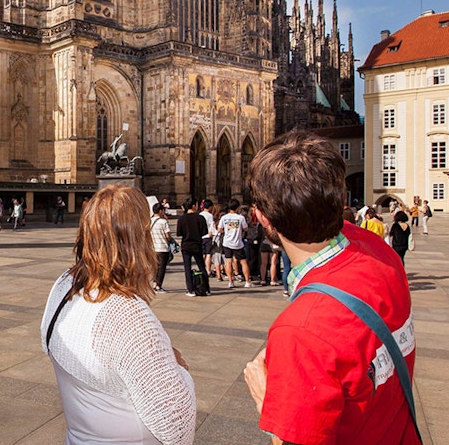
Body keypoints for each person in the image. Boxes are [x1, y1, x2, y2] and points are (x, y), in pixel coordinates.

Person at [242, 131, 419, 444]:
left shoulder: (302, 331)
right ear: (338, 198)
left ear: (261, 217)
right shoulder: (380, 252)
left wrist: (266, 397)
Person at [40, 185, 196, 445]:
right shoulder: (127, 316)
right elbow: (177, 428)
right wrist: (178, 368)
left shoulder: (65, 285)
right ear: (139, 239)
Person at [176, 198, 209, 296]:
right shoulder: (200, 218)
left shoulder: (181, 219)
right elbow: (204, 232)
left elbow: (179, 233)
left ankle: (190, 290)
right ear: (194, 206)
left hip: (186, 245)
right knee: (202, 267)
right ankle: (206, 288)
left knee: (187, 268)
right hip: (197, 244)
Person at [219, 199, 248, 289]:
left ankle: (231, 281)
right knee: (243, 262)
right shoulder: (240, 218)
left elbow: (220, 229)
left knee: (228, 262)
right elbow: (246, 228)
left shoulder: (224, 217)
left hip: (227, 242)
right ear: (238, 207)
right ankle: (247, 281)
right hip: (237, 242)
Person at [150, 202, 175, 293]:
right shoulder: (163, 222)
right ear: (160, 211)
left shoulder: (149, 221)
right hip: (162, 247)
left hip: (153, 248)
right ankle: (158, 285)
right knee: (162, 268)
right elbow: (168, 235)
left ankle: (154, 283)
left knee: (155, 267)